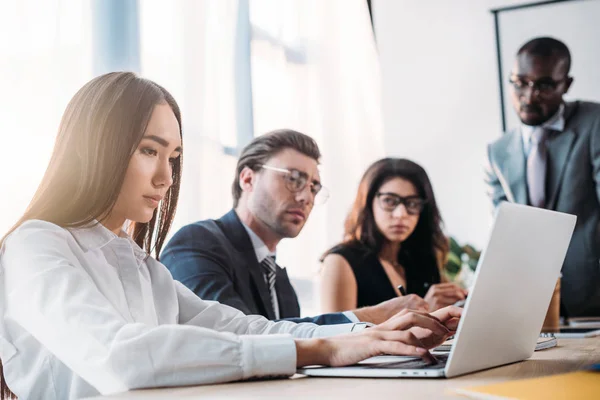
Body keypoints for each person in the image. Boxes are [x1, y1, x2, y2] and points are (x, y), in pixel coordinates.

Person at [0, 72, 461, 400]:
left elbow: (243, 327)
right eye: (148, 150)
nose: (165, 177)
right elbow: (121, 356)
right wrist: (322, 347)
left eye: (174, 156)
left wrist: (370, 335)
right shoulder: (36, 245)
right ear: (94, 147)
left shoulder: (140, 265)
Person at [161, 130, 428, 327]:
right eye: (293, 179)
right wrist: (374, 316)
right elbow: (235, 333)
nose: (306, 197)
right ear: (248, 178)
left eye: (313, 187)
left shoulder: (283, 285)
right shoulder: (197, 243)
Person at [485, 37, 600, 317]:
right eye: (520, 82)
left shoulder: (594, 122)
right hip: (533, 307)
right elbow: (505, 235)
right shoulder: (497, 152)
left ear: (566, 84)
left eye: (544, 85)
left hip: (594, 297)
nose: (529, 95)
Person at [320, 158, 467, 313]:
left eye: (412, 203)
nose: (400, 214)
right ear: (368, 202)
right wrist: (424, 311)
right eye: (389, 201)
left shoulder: (423, 260)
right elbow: (335, 335)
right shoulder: (341, 262)